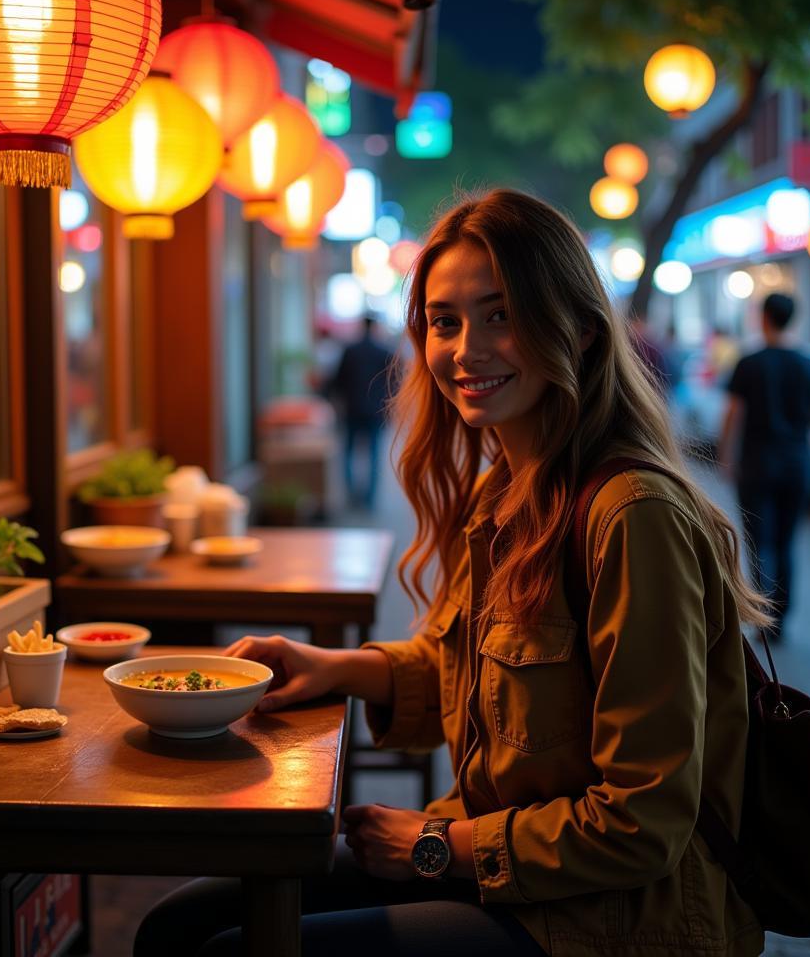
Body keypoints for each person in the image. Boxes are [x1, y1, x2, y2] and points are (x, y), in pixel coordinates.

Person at [135, 189, 770, 957]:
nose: (468, 348)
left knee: (227, 948)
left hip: (619, 917)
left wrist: (433, 847)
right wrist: (333, 665)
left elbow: (644, 824)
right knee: (177, 924)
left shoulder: (633, 516)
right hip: (511, 871)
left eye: (501, 315)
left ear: (576, 327)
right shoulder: (503, 488)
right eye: (445, 322)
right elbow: (464, 665)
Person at [719, 292, 810, 633]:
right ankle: (782, 618)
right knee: (786, 542)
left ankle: (763, 613)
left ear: (764, 318)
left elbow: (733, 415)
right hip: (797, 466)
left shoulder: (749, 362)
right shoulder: (808, 364)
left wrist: (726, 457)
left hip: (756, 466)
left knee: (758, 543)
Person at [325, 314, 395, 509]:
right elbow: (393, 383)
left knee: (348, 453)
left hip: (352, 409)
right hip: (376, 411)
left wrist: (334, 400)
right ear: (375, 327)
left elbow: (338, 380)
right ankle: (369, 499)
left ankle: (351, 495)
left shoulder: (350, 351)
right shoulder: (383, 352)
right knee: (374, 454)